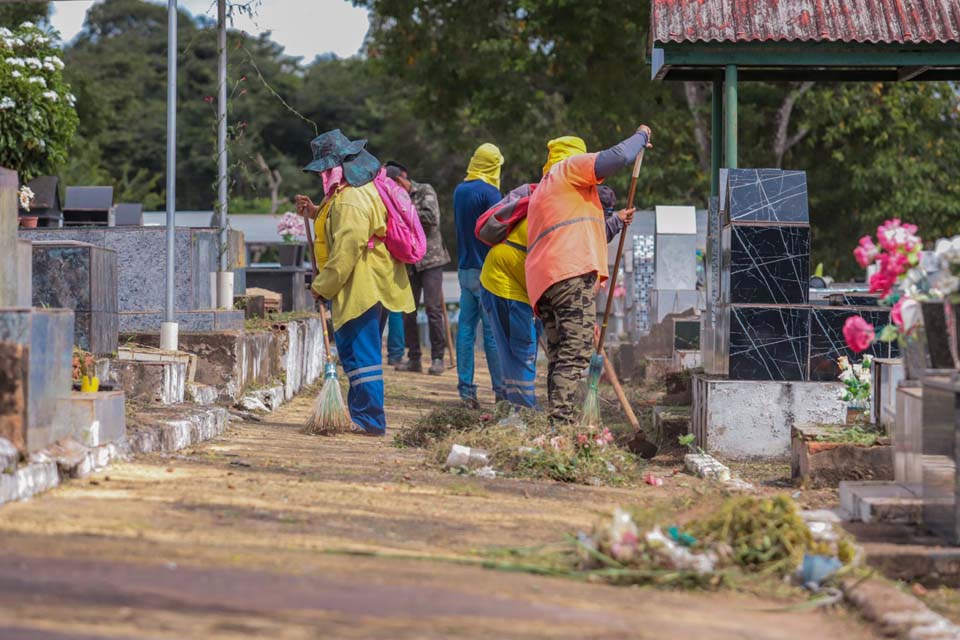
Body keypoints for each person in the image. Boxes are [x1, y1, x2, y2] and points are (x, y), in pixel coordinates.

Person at [525, 128, 652, 424]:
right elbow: (618, 157)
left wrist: (615, 221)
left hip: (545, 282)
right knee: (576, 351)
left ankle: (556, 422)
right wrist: (641, 137)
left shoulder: (546, 188)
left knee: (560, 353)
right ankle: (561, 424)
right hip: (569, 274)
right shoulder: (568, 168)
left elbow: (577, 229)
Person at [295, 129, 415, 436]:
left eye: (325, 170)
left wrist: (322, 286)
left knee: (362, 356)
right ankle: (362, 415)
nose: (322, 176)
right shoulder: (347, 194)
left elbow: (346, 250)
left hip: (363, 285)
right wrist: (314, 212)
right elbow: (336, 223)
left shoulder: (351, 199)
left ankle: (369, 420)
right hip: (362, 283)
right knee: (355, 353)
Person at [478, 181, 634, 411]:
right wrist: (582, 316)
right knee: (523, 349)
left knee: (523, 350)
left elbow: (595, 239)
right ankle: (524, 411)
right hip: (508, 282)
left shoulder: (572, 217)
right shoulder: (567, 221)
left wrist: (617, 221)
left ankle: (518, 408)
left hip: (521, 282)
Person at [385, 161, 451, 376]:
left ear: (399, 181)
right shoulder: (393, 198)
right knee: (408, 310)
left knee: (433, 309)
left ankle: (438, 358)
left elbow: (432, 218)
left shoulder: (424, 190)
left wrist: (405, 210)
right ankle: (414, 358)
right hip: (409, 261)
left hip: (431, 259)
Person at [453, 143, 506, 408]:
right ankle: (501, 392)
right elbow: (499, 229)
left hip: (464, 269)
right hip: (486, 271)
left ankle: (466, 391)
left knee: (465, 331)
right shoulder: (490, 192)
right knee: (492, 334)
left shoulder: (459, 190)